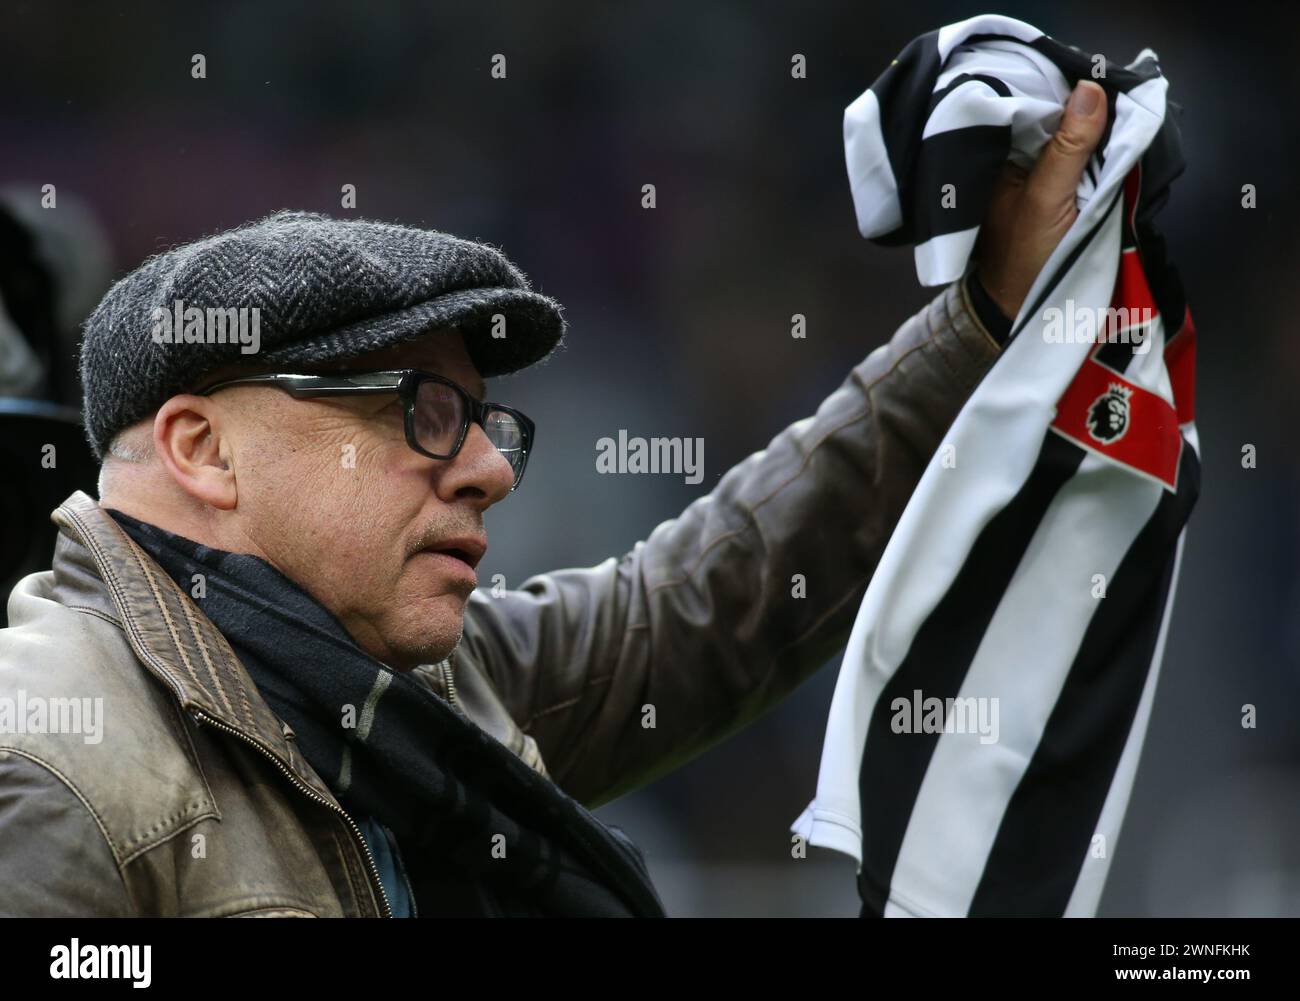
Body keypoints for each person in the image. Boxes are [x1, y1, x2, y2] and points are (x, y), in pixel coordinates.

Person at [0, 83, 1108, 917]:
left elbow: (713, 596)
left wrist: (987, 313)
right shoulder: (48, 765)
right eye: (423, 408)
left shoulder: (419, 685)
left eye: (487, 422)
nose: (487, 467)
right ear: (203, 449)